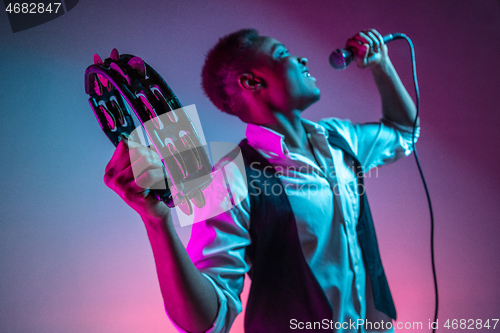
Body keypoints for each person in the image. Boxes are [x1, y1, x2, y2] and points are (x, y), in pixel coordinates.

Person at [103, 28, 419, 333]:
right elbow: (206, 321)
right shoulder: (229, 179)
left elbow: (405, 133)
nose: (302, 60)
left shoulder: (341, 138)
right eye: (283, 54)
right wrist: (156, 222)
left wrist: (382, 64)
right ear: (252, 81)